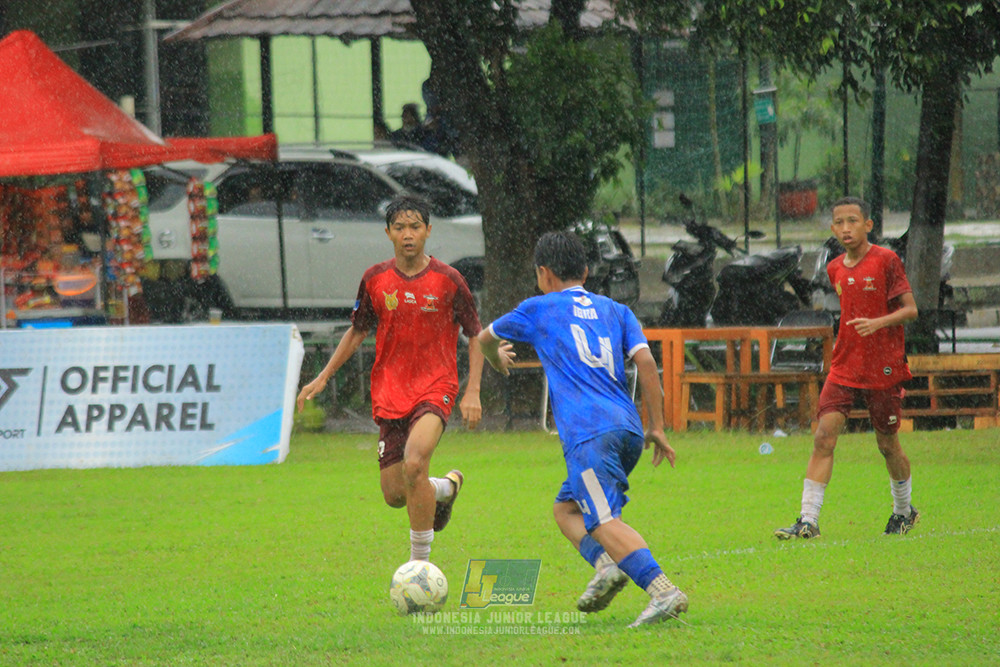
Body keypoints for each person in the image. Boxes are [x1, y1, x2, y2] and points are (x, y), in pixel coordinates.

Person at [477, 231, 688, 628]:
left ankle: (663, 591)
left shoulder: (539, 308)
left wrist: (496, 359)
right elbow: (645, 365)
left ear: (543, 273)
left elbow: (484, 338)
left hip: (589, 436)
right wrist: (657, 426)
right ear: (586, 271)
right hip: (627, 431)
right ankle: (608, 566)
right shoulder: (616, 310)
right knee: (567, 509)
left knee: (603, 521)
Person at [297, 193, 486, 564]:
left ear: (428, 231)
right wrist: (322, 377)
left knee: (415, 463)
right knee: (395, 494)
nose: (408, 234)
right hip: (391, 391)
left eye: (415, 226)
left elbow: (475, 334)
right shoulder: (375, 280)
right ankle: (444, 489)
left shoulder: (449, 280)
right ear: (388, 233)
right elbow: (357, 332)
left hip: (436, 386)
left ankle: (419, 567)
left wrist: (473, 391)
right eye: (399, 227)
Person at [775, 196, 920, 540]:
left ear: (868, 225)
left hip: (883, 367)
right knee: (824, 437)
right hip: (844, 365)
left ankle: (904, 511)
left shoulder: (886, 260)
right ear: (832, 228)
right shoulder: (835, 267)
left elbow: (911, 309)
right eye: (839, 222)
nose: (846, 228)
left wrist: (879, 323)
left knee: (888, 445)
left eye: (853, 221)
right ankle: (808, 521)